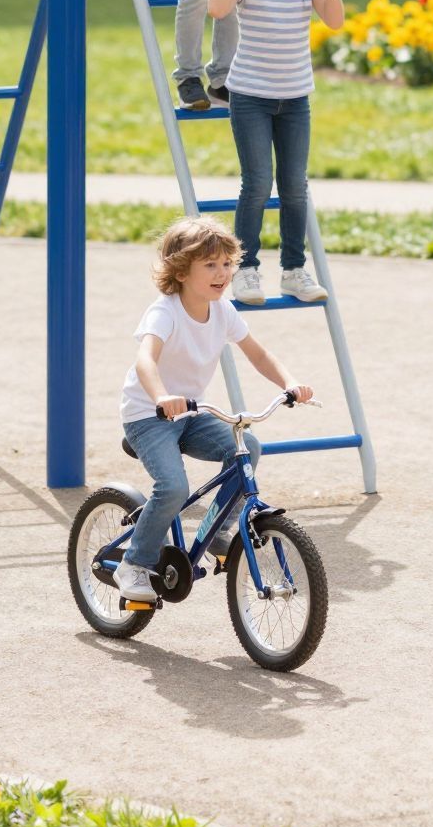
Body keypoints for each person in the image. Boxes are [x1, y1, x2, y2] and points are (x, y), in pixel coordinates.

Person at [115, 216, 314, 605]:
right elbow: (145, 360)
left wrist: (289, 383)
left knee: (246, 448)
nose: (222, 273)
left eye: (227, 264)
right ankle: (134, 563)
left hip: (190, 413)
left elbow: (258, 354)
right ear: (181, 270)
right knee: (173, 487)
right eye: (210, 265)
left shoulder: (222, 311)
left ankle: (218, 529)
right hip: (148, 416)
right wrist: (160, 397)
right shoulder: (165, 311)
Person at [207, 0, 343, 306]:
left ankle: (294, 270)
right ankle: (245, 271)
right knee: (258, 184)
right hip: (251, 97)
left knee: (295, 186)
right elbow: (216, 7)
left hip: (295, 99)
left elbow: (334, 20)